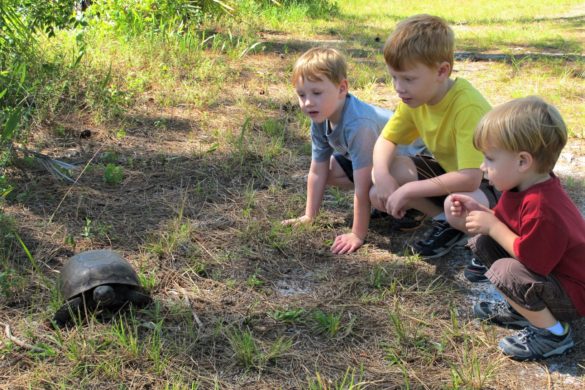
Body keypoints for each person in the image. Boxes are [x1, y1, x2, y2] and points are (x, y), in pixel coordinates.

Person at [448, 96, 585, 360]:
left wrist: (493, 225)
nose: (482, 166)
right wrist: (481, 214)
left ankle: (553, 334)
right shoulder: (520, 187)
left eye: (489, 159)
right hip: (552, 277)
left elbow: (532, 259)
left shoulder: (543, 207)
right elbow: (508, 227)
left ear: (523, 161)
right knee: (485, 242)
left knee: (505, 270)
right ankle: (525, 309)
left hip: (574, 292)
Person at [370, 14, 498, 259]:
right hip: (451, 174)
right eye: (394, 77)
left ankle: (454, 225)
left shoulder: (467, 106)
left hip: (491, 183)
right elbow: (386, 140)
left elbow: (471, 178)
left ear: (441, 71)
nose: (399, 87)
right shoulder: (414, 98)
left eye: (408, 78)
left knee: (457, 207)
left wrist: (408, 191)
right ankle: (436, 217)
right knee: (378, 191)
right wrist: (384, 176)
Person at [282, 47, 428, 254]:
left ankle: (416, 206)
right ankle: (391, 200)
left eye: (317, 93)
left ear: (342, 88)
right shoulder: (320, 116)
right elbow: (317, 171)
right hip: (383, 163)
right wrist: (309, 216)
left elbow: (362, 185)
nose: (307, 102)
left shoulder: (359, 124)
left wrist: (357, 234)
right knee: (330, 172)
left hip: (417, 162)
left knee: (372, 192)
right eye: (301, 94)